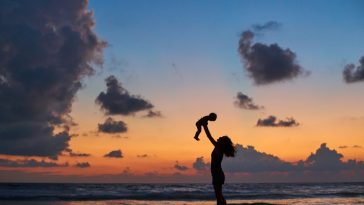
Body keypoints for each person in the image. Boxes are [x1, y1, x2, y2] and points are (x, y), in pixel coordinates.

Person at [202, 123, 235, 205]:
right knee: (219, 195)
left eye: (221, 138)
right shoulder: (218, 148)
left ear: (222, 142)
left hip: (217, 174)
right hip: (218, 174)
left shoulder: (218, 148)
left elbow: (209, 136)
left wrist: (205, 126)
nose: (219, 137)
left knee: (218, 195)